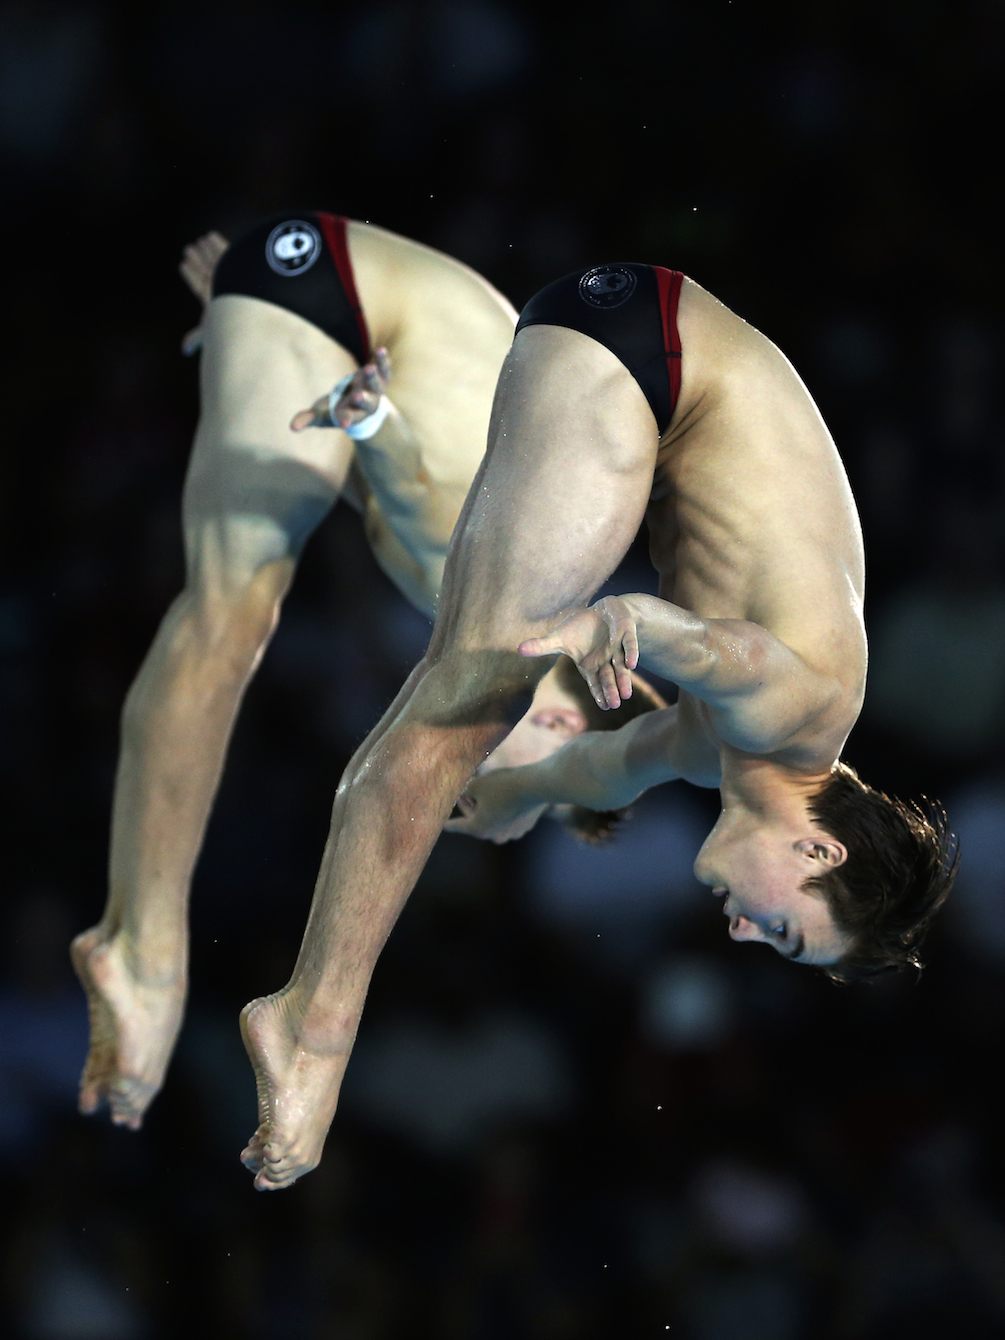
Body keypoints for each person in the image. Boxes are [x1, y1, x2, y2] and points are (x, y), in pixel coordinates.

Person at [239, 260, 958, 1191]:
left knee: (457, 691)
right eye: (783, 932)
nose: (743, 935)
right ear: (820, 858)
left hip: (631, 365)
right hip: (646, 356)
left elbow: (598, 772)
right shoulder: (805, 717)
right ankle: (315, 1031)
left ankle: (373, 417)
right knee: (469, 697)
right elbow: (713, 650)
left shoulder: (719, 756)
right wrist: (616, 623)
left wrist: (513, 794)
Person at [71, 213, 657, 1134]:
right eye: (487, 798)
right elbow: (429, 505)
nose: (457, 785)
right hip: (339, 294)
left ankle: (142, 947)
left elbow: (390, 484)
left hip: (337, 309)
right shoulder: (530, 612)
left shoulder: (517, 611)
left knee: (243, 593)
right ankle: (142, 950)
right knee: (230, 619)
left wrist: (257, 340)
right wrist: (367, 412)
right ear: (559, 726)